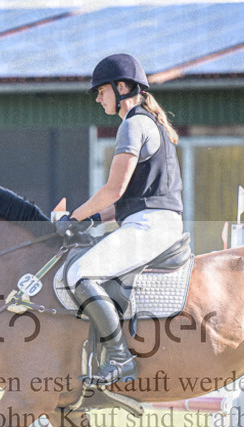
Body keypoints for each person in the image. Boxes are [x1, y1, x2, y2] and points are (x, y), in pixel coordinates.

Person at [54, 53, 184, 385]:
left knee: (78, 273)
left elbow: (113, 189)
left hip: (151, 226)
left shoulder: (133, 124)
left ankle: (119, 358)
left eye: (102, 90)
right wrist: (89, 220)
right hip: (150, 220)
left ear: (122, 87)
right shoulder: (146, 123)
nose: (98, 97)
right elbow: (124, 202)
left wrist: (72, 217)